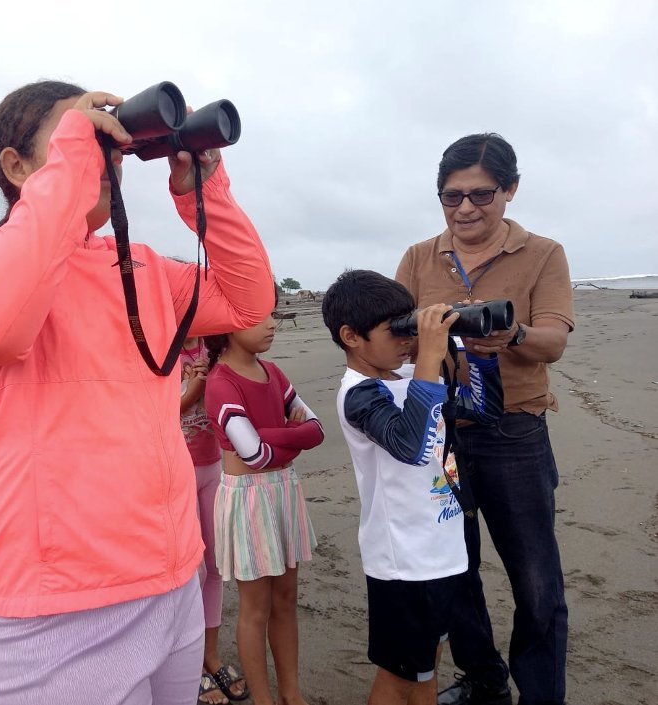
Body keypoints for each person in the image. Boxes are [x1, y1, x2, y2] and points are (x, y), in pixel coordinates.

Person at [0, 80, 275, 704]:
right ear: (16, 167)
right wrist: (72, 166)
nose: (105, 156)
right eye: (85, 138)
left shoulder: (140, 264)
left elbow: (246, 303)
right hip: (60, 602)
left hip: (171, 572)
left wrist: (204, 191)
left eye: (109, 144)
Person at [395, 134, 574, 705]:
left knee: (536, 578)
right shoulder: (419, 257)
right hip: (442, 434)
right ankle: (483, 679)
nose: (466, 208)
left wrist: (513, 334)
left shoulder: (543, 253)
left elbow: (553, 342)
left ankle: (541, 695)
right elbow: (395, 336)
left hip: (514, 433)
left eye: (481, 194)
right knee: (454, 566)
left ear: (510, 189)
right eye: (452, 197)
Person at [321, 270, 504, 704]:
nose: (408, 339)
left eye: (410, 325)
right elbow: (410, 446)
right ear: (351, 336)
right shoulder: (359, 395)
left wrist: (478, 355)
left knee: (426, 670)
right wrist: (430, 360)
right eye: (397, 330)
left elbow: (486, 411)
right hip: (404, 563)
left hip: (443, 550)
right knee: (398, 678)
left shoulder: (410, 379)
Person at [203, 313, 325, 705]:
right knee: (255, 608)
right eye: (257, 317)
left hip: (283, 490)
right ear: (226, 324)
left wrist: (271, 436)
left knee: (286, 599)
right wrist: (291, 433)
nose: (271, 323)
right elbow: (254, 455)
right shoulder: (220, 382)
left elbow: (318, 431)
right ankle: (264, 699)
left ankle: (291, 692)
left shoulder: (273, 372)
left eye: (271, 313)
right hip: (248, 498)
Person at [179, 335, 248, 705]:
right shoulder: (159, 349)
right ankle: (188, 663)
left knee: (215, 565)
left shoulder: (214, 347)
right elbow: (152, 412)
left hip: (213, 466)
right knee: (193, 570)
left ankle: (210, 653)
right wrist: (192, 391)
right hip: (177, 471)